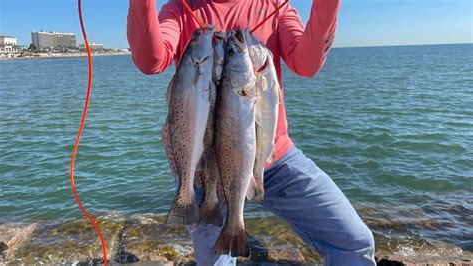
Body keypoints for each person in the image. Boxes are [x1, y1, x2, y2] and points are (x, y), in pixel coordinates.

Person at [127, 0, 376, 265]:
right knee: (217, 261)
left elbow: (307, 65)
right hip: (207, 171)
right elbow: (150, 61)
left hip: (274, 159)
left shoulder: (275, 5)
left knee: (354, 242)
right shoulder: (180, 7)